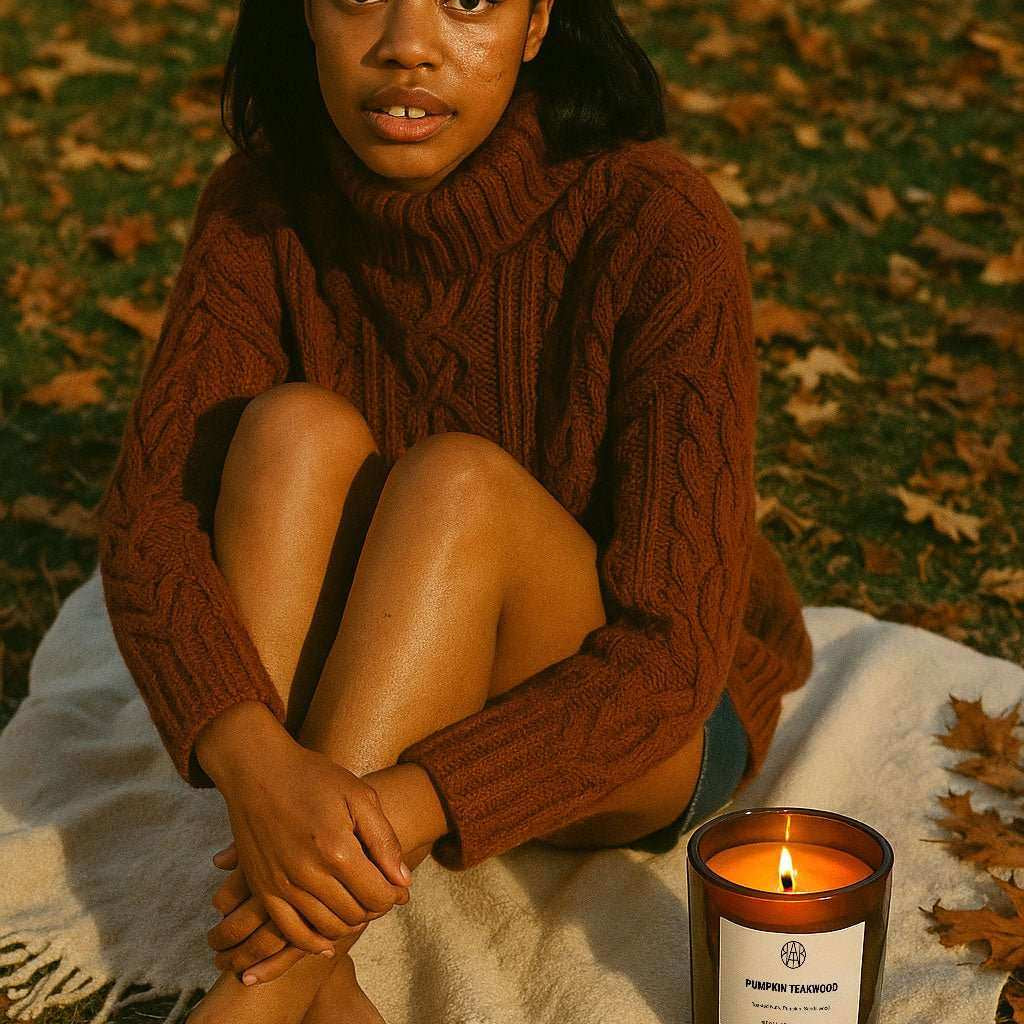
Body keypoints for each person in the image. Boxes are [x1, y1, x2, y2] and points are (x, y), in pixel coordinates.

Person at [94, 0, 814, 1020]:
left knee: (454, 485)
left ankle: (248, 1003)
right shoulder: (261, 204)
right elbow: (147, 526)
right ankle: (324, 988)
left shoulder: (655, 221)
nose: (406, 43)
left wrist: (378, 817)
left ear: (537, 21)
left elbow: (668, 655)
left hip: (634, 725)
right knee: (290, 429)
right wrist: (257, 770)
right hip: (376, 692)